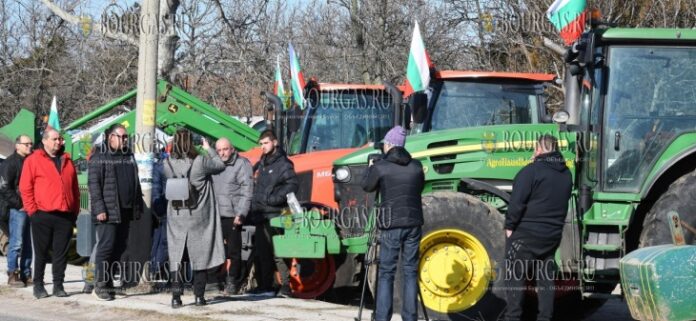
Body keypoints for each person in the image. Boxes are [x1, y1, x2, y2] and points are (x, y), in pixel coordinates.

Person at [503, 134, 572, 321]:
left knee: (513, 275)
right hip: (552, 236)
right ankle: (544, 318)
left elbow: (516, 203)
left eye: (535, 149)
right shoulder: (566, 174)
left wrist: (509, 226)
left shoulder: (530, 171)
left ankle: (512, 317)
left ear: (539, 149)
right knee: (545, 278)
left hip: (526, 235)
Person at [361, 126, 425, 321]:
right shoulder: (416, 166)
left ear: (389, 145)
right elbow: (419, 187)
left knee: (387, 272)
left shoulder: (381, 166)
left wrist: (370, 167)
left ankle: (382, 317)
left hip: (391, 224)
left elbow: (367, 186)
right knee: (410, 272)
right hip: (413, 223)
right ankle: (410, 317)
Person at [164, 129, 226, 308]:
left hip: (176, 216)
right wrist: (209, 148)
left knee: (177, 256)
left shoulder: (167, 163)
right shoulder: (200, 161)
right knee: (200, 255)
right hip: (198, 216)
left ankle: (176, 298)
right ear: (191, 142)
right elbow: (220, 165)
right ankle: (199, 296)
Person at [19, 129, 80, 299]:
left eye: (60, 139)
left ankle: (58, 285)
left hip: (65, 216)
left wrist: (74, 210)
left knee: (61, 253)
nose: (59, 142)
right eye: (55, 139)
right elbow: (25, 187)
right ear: (45, 141)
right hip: (42, 214)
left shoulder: (67, 160)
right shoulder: (33, 160)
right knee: (41, 252)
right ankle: (38, 285)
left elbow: (74, 188)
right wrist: (33, 211)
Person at [88, 124, 143, 301]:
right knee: (106, 247)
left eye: (126, 137)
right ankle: (100, 285)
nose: (125, 140)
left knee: (119, 248)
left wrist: (137, 206)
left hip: (125, 211)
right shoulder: (99, 156)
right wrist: (100, 209)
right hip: (108, 211)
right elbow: (94, 185)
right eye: (122, 137)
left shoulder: (128, 155)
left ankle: (110, 284)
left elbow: (135, 182)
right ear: (110, 137)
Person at [249, 130, 298, 297]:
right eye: (261, 144)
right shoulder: (262, 163)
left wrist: (273, 199)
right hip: (262, 214)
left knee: (281, 252)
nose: (263, 146)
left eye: (266, 143)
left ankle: (285, 286)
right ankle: (266, 285)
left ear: (275, 142)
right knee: (262, 251)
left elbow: (292, 185)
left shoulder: (284, 164)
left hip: (280, 213)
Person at [212, 137, 253, 295]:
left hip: (233, 214)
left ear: (232, 149)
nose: (222, 153)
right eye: (220, 150)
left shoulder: (242, 164)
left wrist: (241, 213)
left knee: (234, 251)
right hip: (216, 214)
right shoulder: (216, 164)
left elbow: (247, 191)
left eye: (225, 149)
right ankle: (216, 280)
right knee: (217, 249)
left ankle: (232, 282)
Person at [0, 135, 33, 287]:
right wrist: (20, 204)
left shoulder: (31, 161)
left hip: (31, 207)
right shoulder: (10, 163)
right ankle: (12, 273)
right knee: (16, 242)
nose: (29, 146)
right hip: (17, 209)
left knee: (28, 242)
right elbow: (5, 187)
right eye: (26, 144)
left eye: (30, 144)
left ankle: (26, 273)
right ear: (17, 145)